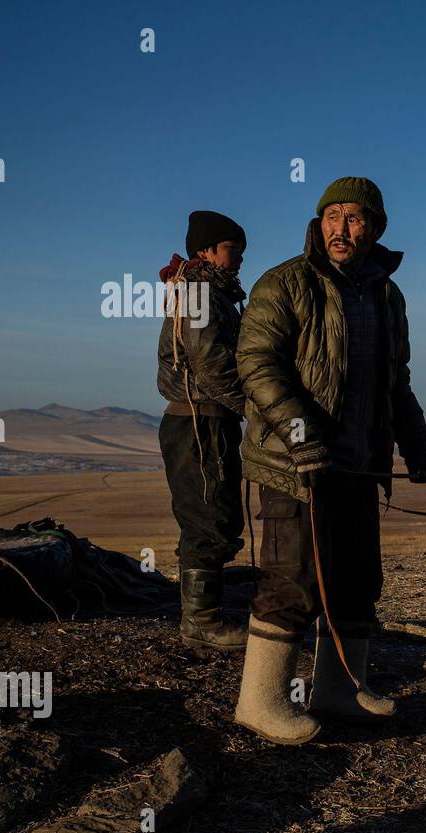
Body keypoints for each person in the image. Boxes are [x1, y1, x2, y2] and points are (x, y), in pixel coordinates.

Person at [234, 176, 426, 745]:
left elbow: (397, 381)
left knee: (355, 582)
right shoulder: (286, 283)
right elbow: (256, 362)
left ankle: (339, 690)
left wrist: (415, 446)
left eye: (354, 218)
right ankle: (260, 701)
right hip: (296, 468)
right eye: (332, 216)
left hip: (361, 465)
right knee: (291, 580)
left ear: (375, 227)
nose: (340, 229)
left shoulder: (388, 296)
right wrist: (301, 433)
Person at [155, 210, 249, 653]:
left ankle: (207, 616)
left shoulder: (213, 293)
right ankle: (202, 623)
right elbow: (210, 362)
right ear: (206, 250)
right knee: (206, 516)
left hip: (210, 418)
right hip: (197, 420)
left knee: (218, 513)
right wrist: (251, 404)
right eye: (233, 250)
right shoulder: (197, 292)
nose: (240, 260)